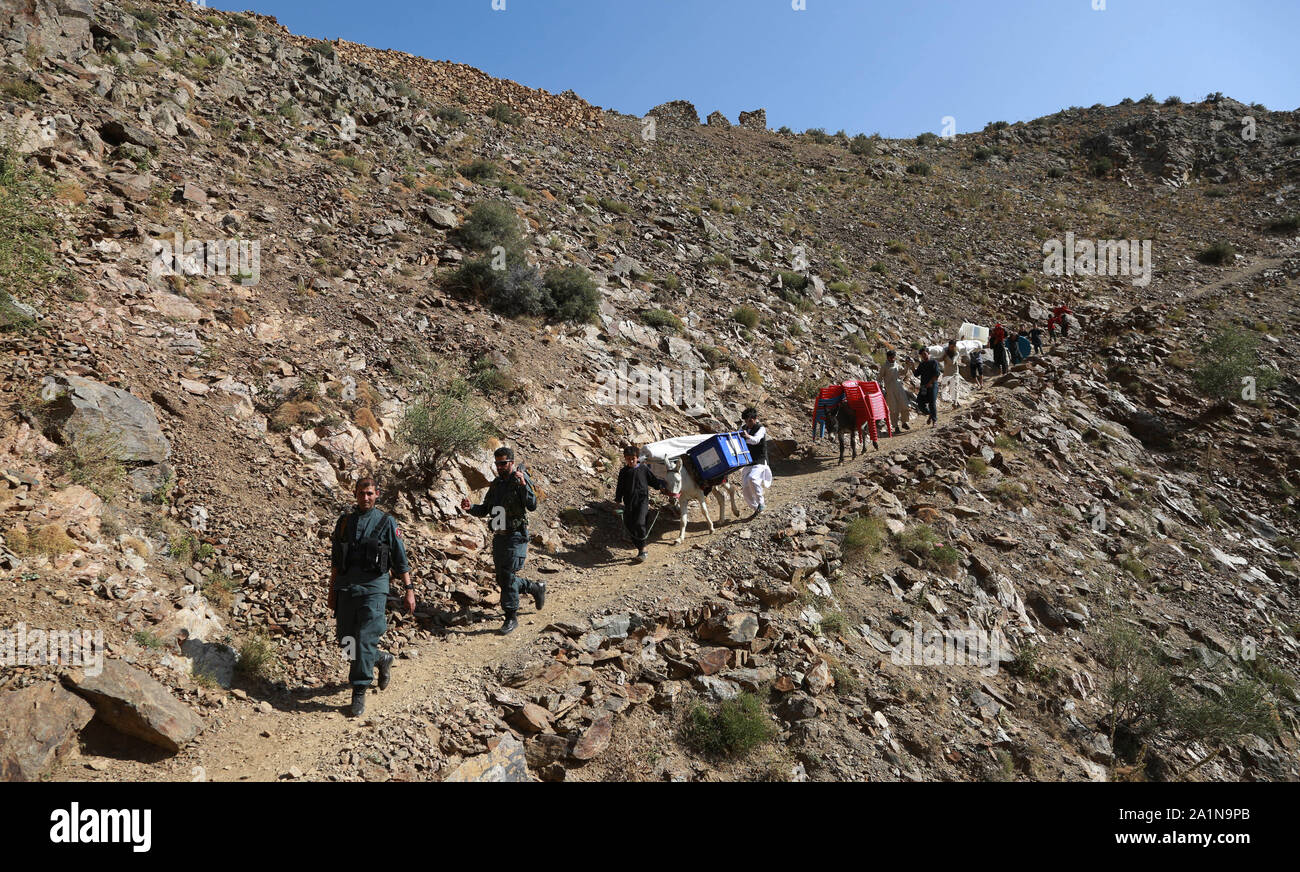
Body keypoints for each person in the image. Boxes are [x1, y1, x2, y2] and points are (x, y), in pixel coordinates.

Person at [329, 477, 414, 717]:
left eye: (369, 493)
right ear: (354, 494)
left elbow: (400, 559)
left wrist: (409, 590)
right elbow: (336, 561)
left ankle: (359, 689)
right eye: (360, 493)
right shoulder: (344, 522)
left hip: (375, 588)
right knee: (347, 641)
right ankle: (381, 659)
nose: (365, 498)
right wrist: (331, 591)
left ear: (377, 494)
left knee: (365, 638)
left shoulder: (387, 522)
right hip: (347, 587)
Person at [460, 446, 545, 635]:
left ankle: (510, 616)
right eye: (497, 463)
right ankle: (534, 587)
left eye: (503, 463)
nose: (499, 467)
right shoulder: (496, 484)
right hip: (499, 537)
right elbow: (485, 509)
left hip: (516, 535)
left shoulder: (520, 480)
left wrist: (524, 486)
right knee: (502, 577)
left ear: (512, 462)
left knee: (507, 576)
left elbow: (532, 505)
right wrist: (470, 508)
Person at [614, 445, 669, 563]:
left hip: (642, 501)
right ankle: (640, 548)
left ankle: (643, 549)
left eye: (633, 458)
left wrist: (661, 488)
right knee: (630, 525)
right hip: (629, 503)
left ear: (637, 457)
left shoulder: (643, 468)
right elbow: (620, 487)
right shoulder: (623, 472)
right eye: (628, 458)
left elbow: (653, 480)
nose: (631, 460)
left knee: (639, 523)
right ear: (625, 458)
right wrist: (618, 501)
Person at [739, 407, 773, 515]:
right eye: (746, 421)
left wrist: (747, 436)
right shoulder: (743, 428)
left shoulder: (761, 428)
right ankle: (756, 507)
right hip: (749, 461)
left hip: (760, 460)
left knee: (752, 478)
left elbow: (755, 440)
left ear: (755, 419)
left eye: (750, 420)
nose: (748, 423)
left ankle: (761, 503)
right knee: (745, 486)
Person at [882, 349, 910, 434]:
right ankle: (896, 426)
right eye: (890, 357)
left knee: (905, 405)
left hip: (899, 388)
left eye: (893, 357)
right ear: (888, 357)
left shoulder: (896, 365)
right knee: (893, 409)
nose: (892, 359)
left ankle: (904, 422)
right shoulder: (884, 367)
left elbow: (904, 372)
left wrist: (907, 365)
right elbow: (879, 377)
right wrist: (881, 388)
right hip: (890, 390)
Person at [914, 348, 940, 426]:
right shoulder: (921, 364)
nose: (923, 356)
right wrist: (911, 366)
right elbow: (916, 374)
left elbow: (937, 374)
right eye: (922, 355)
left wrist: (930, 382)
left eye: (925, 354)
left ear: (928, 353)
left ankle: (934, 421)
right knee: (920, 402)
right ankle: (930, 414)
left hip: (933, 386)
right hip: (924, 387)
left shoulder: (933, 362)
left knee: (932, 403)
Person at [942, 340, 960, 409]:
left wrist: (946, 356)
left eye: (953, 347)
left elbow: (952, 362)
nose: (952, 348)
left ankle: (955, 403)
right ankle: (955, 402)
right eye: (951, 347)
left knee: (955, 387)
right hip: (946, 373)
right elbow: (939, 358)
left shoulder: (956, 353)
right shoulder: (945, 351)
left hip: (954, 373)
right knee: (950, 388)